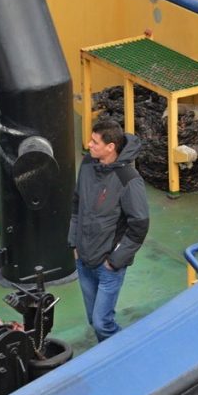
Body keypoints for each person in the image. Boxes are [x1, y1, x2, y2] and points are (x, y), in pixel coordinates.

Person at [68, 119, 149, 342]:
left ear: (110, 147)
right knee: (94, 321)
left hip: (108, 265)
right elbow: (77, 204)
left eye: (95, 142)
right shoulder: (87, 164)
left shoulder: (128, 179)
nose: (88, 144)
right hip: (84, 259)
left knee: (103, 323)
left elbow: (139, 223)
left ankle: (125, 354)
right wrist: (74, 243)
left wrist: (115, 260)